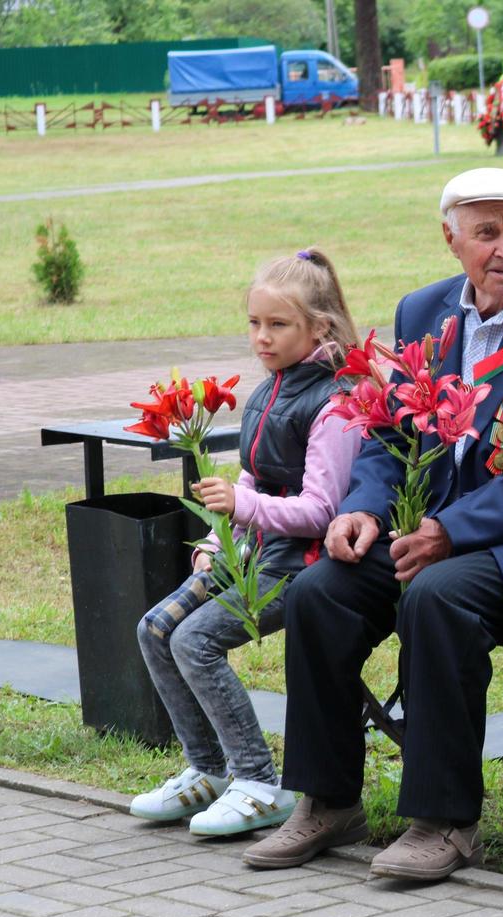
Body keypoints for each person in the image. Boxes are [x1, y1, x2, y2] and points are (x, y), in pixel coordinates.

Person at [242, 168, 503, 877]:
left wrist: (454, 530)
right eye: (486, 232)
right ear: (451, 238)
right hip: (432, 531)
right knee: (320, 593)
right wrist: (360, 507)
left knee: (438, 594)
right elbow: (392, 433)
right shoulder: (424, 313)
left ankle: (444, 821)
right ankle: (327, 803)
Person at [130, 248, 363, 837]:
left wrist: (241, 507)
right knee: (156, 629)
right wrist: (216, 537)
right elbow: (253, 477)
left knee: (196, 640)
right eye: (255, 323)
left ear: (321, 327)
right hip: (252, 551)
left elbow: (322, 511)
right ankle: (207, 771)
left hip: (300, 566)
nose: (262, 337)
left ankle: (259, 783)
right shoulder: (267, 393)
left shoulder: (334, 403)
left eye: (278, 325)